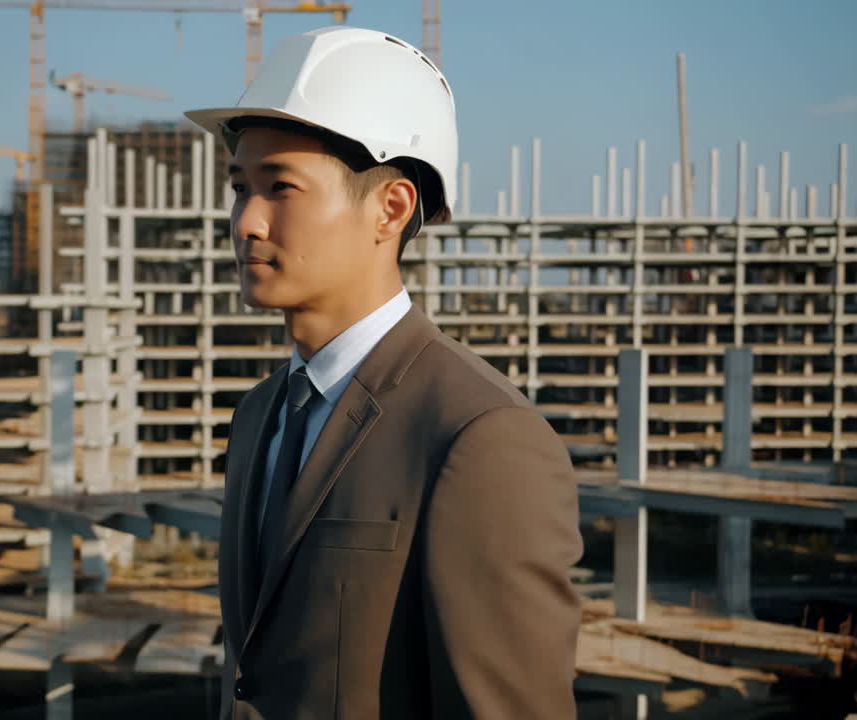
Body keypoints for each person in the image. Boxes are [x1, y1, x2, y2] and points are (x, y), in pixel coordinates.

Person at [185, 26, 583, 719]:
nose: (246, 220)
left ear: (390, 209)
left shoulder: (479, 438)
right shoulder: (259, 417)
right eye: (239, 186)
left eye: (281, 187)